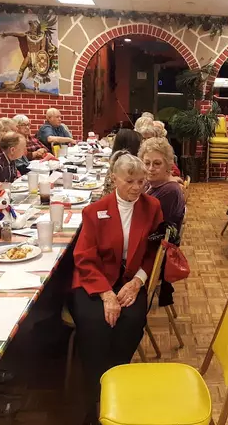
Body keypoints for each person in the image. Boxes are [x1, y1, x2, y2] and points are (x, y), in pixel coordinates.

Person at [70, 153, 162, 422]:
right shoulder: (94, 211)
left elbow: (155, 251)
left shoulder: (152, 206)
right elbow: (84, 257)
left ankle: (116, 379)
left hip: (131, 278)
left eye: (141, 181)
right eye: (130, 181)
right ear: (114, 179)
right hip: (94, 278)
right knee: (93, 322)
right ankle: (94, 394)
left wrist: (137, 282)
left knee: (132, 320)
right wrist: (106, 294)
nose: (137, 187)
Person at [139, 137, 186, 307]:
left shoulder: (169, 191)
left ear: (168, 166)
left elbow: (147, 229)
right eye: (147, 163)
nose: (150, 168)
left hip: (151, 257)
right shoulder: (153, 184)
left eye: (157, 164)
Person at [103, 130, 145, 197]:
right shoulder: (124, 168)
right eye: (139, 145)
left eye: (140, 181)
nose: (142, 148)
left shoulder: (114, 162)